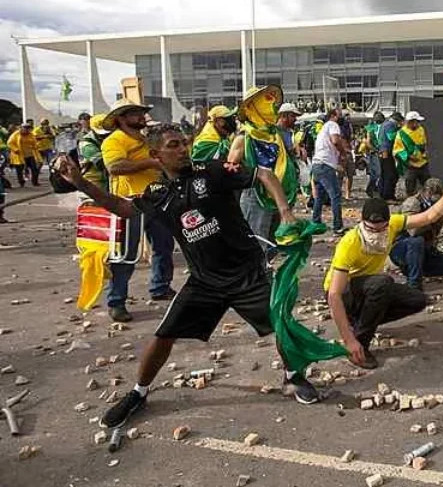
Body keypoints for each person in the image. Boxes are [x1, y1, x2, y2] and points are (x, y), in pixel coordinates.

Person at [54, 125, 326, 430]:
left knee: (280, 326)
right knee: (163, 336)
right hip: (204, 282)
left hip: (247, 273)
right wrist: (80, 182)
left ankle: (292, 377)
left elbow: (264, 173)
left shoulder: (211, 171)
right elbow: (122, 207)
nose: (183, 149)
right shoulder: (158, 194)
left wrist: (286, 212)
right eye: (174, 145)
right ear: (156, 155)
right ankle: (138, 393)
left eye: (184, 143)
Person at [325, 180, 443, 369]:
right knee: (382, 283)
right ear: (363, 223)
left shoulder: (394, 224)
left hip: (368, 287)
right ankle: (359, 345)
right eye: (371, 229)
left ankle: (360, 321)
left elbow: (429, 216)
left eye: (381, 229)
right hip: (343, 293)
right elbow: (333, 294)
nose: (377, 234)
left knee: (417, 299)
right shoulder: (350, 243)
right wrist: (348, 340)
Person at [101, 100, 177, 322]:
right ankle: (116, 301)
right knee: (126, 255)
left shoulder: (145, 139)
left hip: (155, 198)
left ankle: (160, 287)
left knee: (164, 245)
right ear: (122, 119)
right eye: (135, 113)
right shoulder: (114, 141)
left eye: (142, 112)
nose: (141, 116)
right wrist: (151, 164)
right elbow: (115, 167)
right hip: (129, 203)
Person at [228, 85, 300, 260]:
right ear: (252, 108)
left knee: (273, 243)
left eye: (272, 104)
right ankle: (255, 280)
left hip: (279, 196)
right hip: (256, 197)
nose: (271, 108)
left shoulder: (275, 135)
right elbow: (230, 171)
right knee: (256, 244)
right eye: (265, 104)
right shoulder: (243, 138)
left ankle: (265, 274)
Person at [389, 178, 443, 290]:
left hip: (424, 248)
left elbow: (433, 235)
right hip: (402, 247)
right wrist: (431, 217)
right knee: (417, 242)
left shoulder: (434, 206)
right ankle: (414, 285)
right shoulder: (412, 203)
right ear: (427, 193)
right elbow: (413, 231)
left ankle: (415, 270)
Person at [310, 108, 345, 234]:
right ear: (333, 116)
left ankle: (315, 222)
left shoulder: (323, 129)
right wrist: (343, 152)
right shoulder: (332, 124)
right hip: (325, 165)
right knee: (335, 195)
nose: (342, 117)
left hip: (317, 164)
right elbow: (335, 141)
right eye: (340, 115)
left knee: (319, 196)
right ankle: (338, 227)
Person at [394, 111, 430, 197]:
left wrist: (425, 151)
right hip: (410, 165)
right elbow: (397, 150)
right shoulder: (401, 134)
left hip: (423, 163)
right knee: (410, 184)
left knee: (427, 183)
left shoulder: (421, 129)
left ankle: (428, 200)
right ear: (411, 122)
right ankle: (410, 202)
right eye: (417, 121)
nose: (418, 123)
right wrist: (409, 157)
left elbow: (423, 143)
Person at [378, 112, 402, 201]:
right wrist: (400, 131)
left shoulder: (384, 124)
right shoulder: (390, 125)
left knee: (385, 174)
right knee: (390, 174)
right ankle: (388, 196)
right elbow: (391, 137)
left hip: (383, 152)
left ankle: (383, 194)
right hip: (386, 152)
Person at [362, 112, 384, 198]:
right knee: (377, 174)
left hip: (375, 153)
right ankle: (371, 190)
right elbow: (367, 141)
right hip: (374, 153)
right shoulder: (371, 128)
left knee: (375, 174)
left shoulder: (375, 127)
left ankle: (372, 190)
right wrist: (376, 150)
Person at [339, 111, 355, 200]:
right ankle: (345, 194)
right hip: (344, 152)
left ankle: (346, 193)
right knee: (343, 175)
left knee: (348, 174)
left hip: (346, 152)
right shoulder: (341, 127)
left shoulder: (348, 126)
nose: (348, 118)